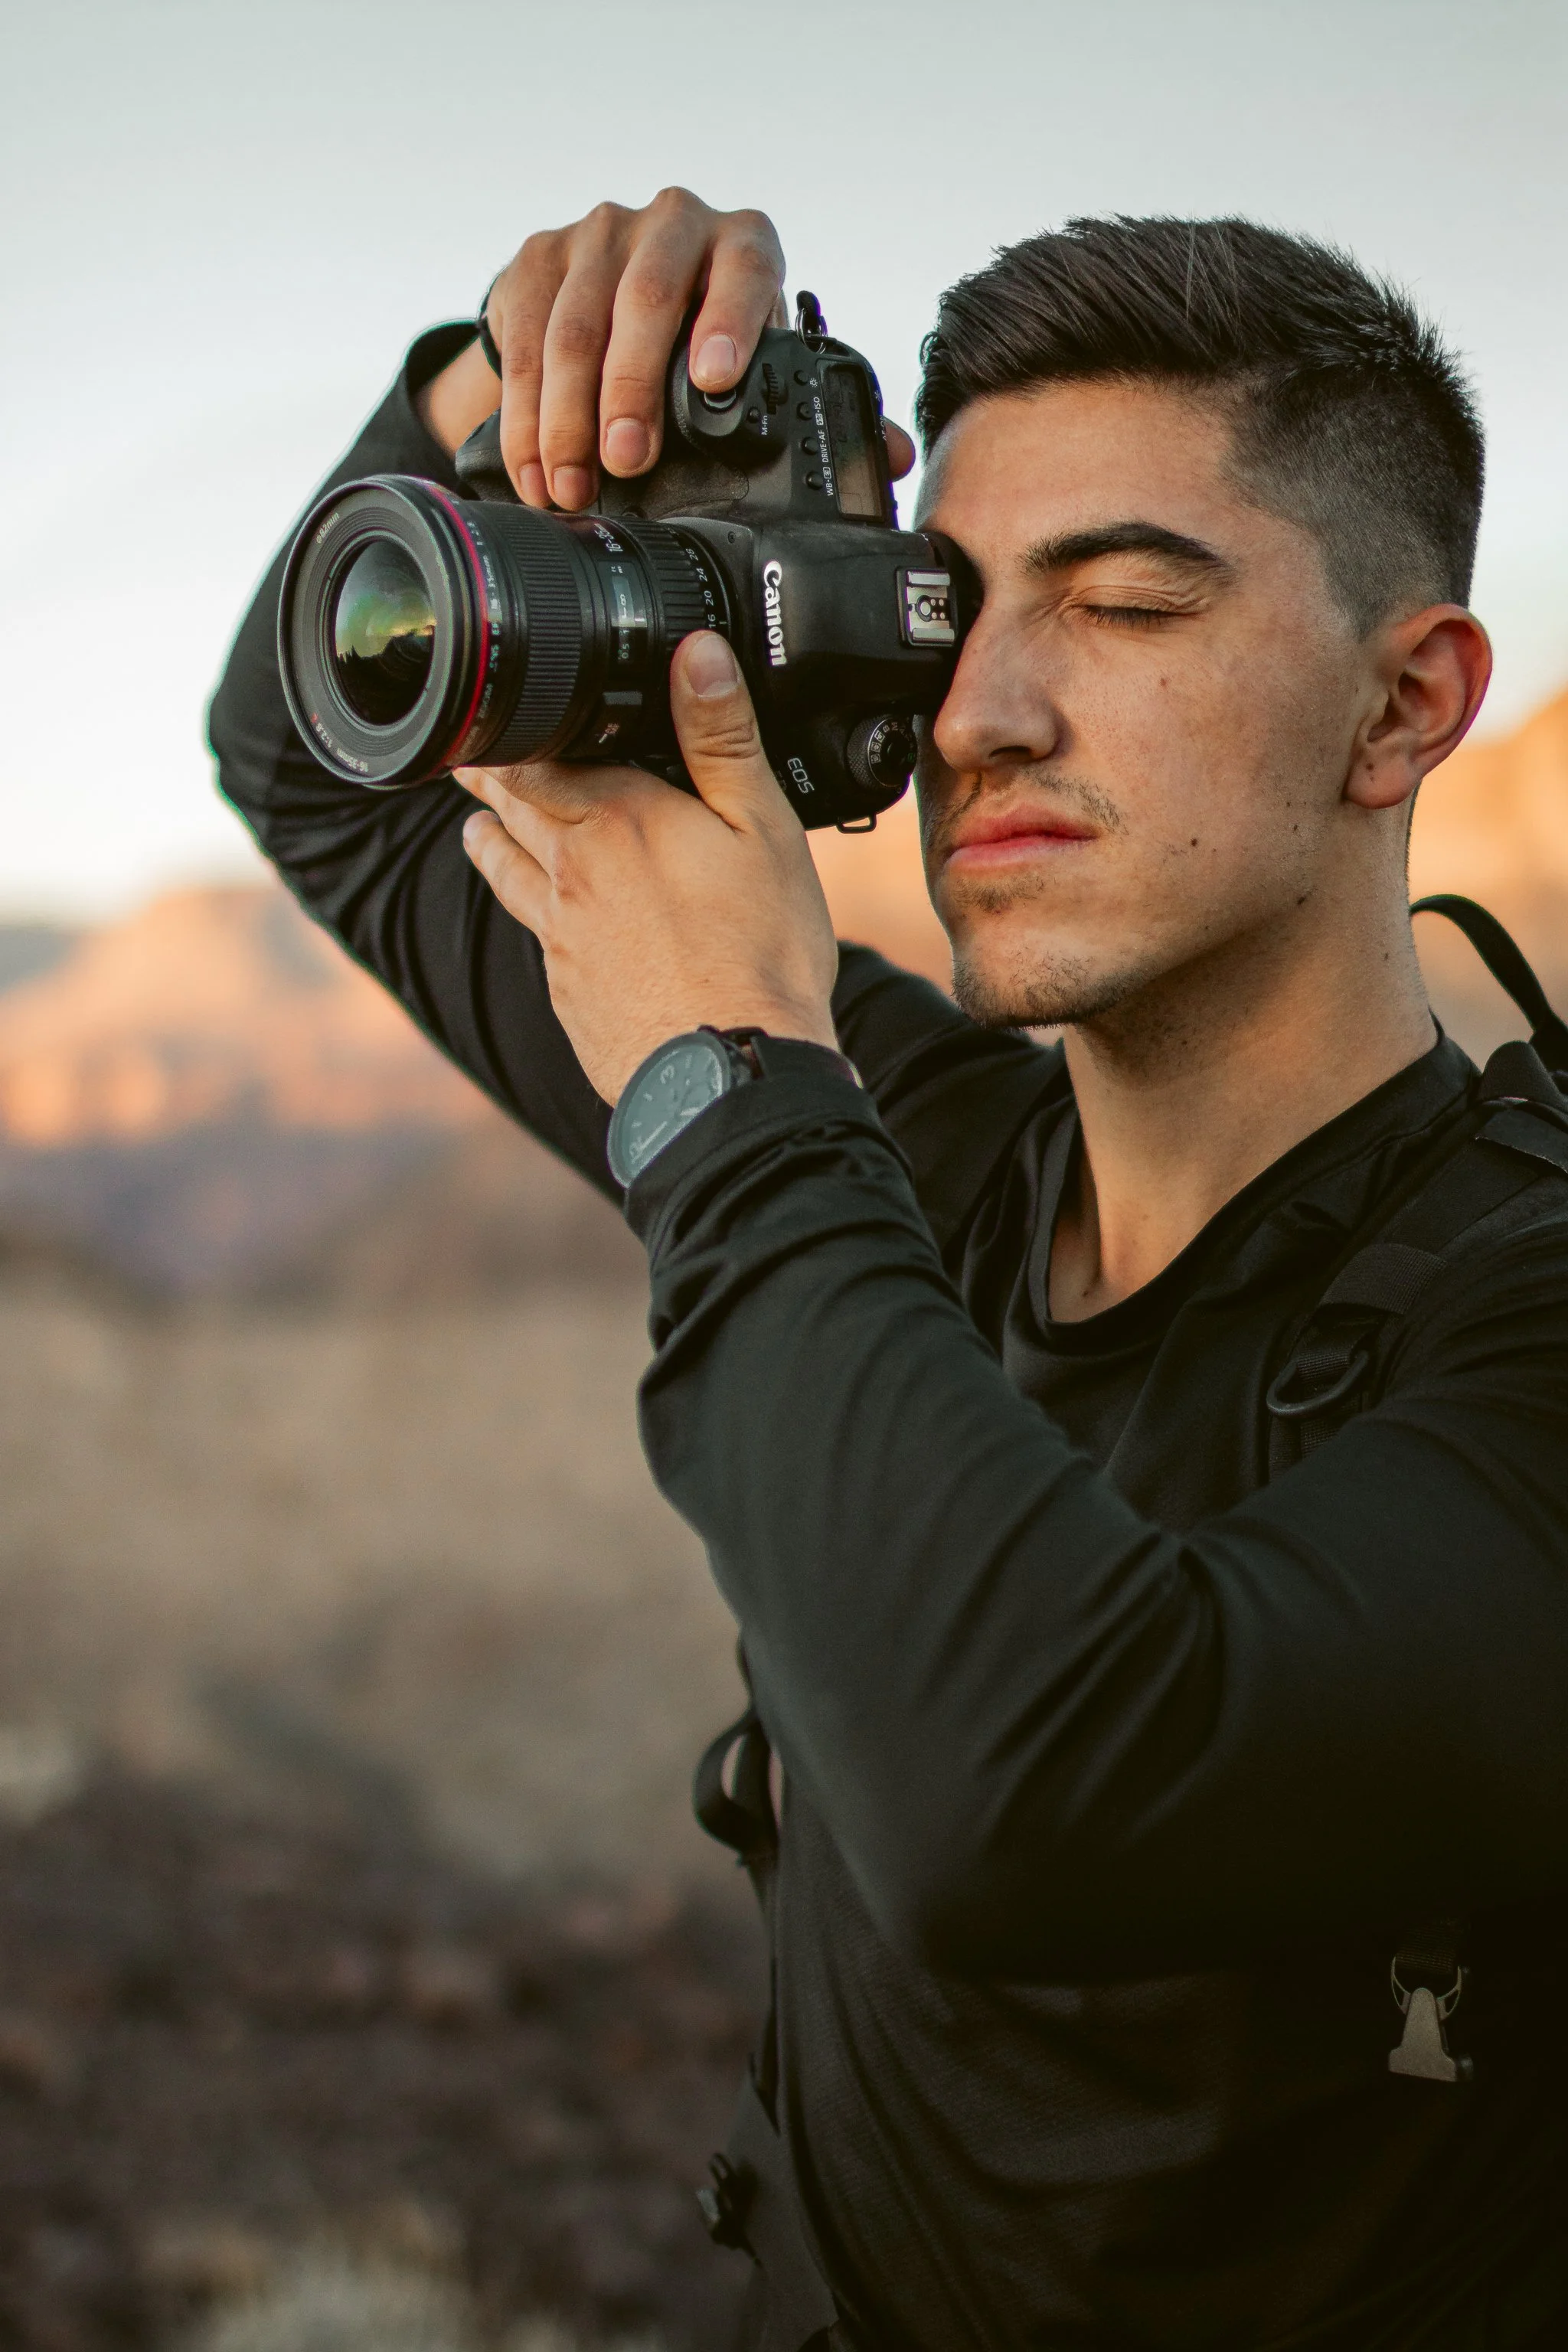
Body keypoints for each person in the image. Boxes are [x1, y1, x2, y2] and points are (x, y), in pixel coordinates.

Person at [209, 192, 1568, 2350]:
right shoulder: (916, 1154)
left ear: (1405, 708)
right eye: (953, 614)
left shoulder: (1528, 1319)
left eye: (1125, 606)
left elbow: (1044, 1798)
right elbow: (324, 763)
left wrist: (726, 1073)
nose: (981, 718)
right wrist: (510, 372)